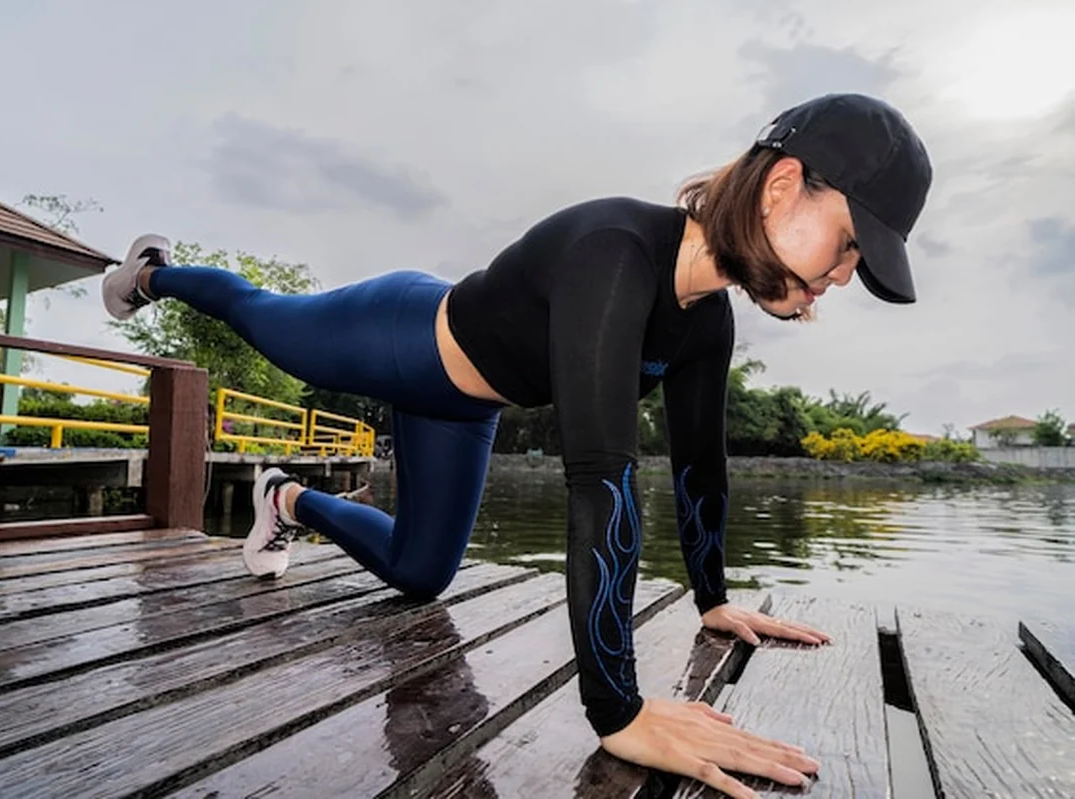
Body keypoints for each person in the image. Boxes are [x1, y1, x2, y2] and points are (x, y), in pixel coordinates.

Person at [101, 92, 931, 798]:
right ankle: (151, 274)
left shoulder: (707, 320)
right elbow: (600, 481)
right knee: (258, 311)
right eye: (849, 244)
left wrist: (711, 597)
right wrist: (619, 710)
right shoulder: (615, 251)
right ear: (782, 188)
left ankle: (284, 496)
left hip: (465, 408)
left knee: (422, 574)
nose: (843, 275)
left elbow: (698, 466)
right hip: (398, 335)